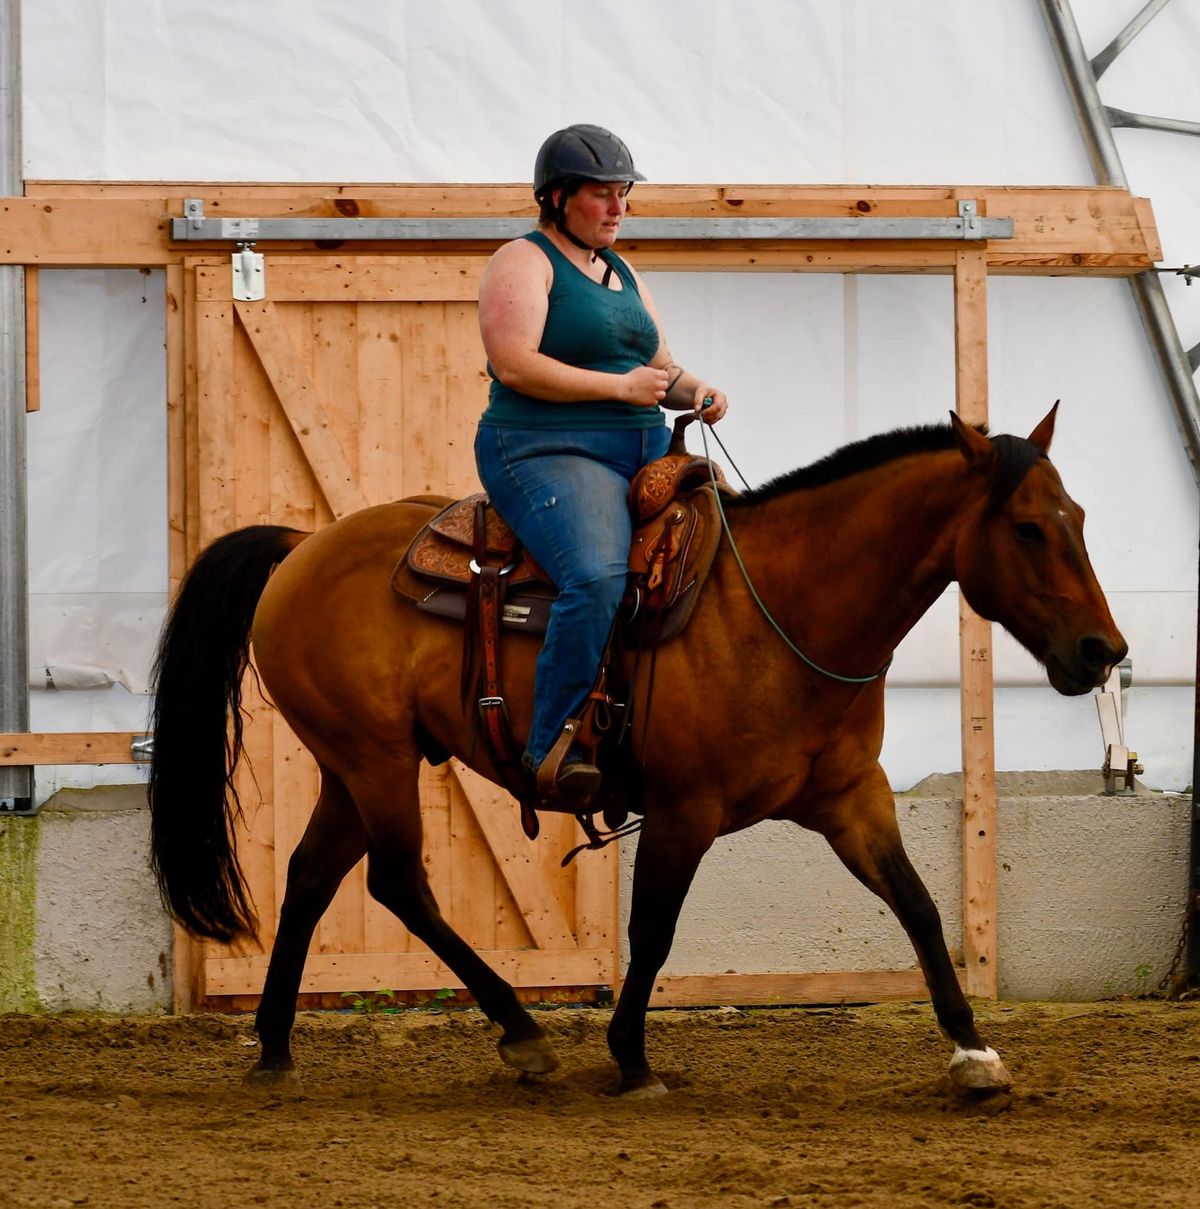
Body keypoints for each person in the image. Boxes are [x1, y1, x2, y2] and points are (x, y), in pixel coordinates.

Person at [474, 123, 728, 803]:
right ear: (556, 199)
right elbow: (513, 363)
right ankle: (550, 745)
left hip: (641, 448)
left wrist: (694, 390)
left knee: (728, 548)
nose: (618, 208)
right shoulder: (522, 261)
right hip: (546, 447)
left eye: (624, 194)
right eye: (602, 195)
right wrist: (620, 388)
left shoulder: (621, 272)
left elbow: (659, 369)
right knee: (596, 575)